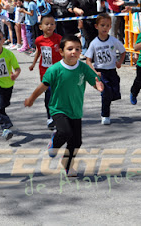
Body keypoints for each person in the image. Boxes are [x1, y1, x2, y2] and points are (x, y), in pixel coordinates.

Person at [24, 35, 104, 175]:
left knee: (76, 142)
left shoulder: (83, 68)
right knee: (66, 132)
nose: (74, 52)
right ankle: (55, 141)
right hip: (58, 108)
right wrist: (31, 98)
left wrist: (98, 85)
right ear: (61, 52)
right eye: (70, 49)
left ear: (81, 52)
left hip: (76, 110)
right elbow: (43, 86)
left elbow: (94, 81)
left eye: (77, 49)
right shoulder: (55, 69)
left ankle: (67, 164)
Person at [85, 13, 126, 125]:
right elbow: (88, 60)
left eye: (107, 25)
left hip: (112, 70)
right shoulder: (94, 43)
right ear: (96, 26)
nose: (105, 28)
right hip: (100, 71)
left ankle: (109, 97)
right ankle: (105, 115)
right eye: (102, 25)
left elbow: (123, 51)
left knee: (115, 89)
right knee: (106, 93)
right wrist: (94, 72)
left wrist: (119, 62)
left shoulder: (113, 40)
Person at [28, 15, 62, 129]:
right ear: (41, 27)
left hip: (58, 71)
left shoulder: (59, 38)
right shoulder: (39, 40)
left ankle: (59, 115)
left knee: (57, 94)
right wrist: (33, 63)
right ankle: (50, 117)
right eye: (47, 24)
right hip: (45, 71)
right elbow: (38, 52)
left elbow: (64, 52)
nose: (50, 26)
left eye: (52, 24)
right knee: (49, 93)